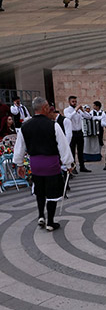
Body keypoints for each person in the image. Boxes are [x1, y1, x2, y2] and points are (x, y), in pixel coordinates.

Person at [13, 96, 73, 231]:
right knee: (51, 193)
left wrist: (20, 164)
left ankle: (41, 215)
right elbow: (63, 146)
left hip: (35, 165)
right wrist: (68, 164)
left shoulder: (25, 126)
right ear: (45, 108)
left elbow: (19, 147)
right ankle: (50, 222)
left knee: (40, 191)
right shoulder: (54, 125)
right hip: (51, 164)